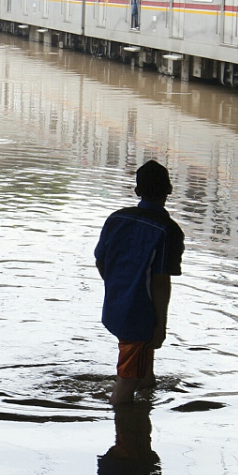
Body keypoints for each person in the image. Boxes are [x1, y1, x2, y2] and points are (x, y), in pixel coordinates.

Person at [93, 160, 183, 405]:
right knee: (128, 380)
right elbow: (160, 281)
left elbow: (101, 260)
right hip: (140, 312)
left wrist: (120, 289)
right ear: (170, 189)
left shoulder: (116, 218)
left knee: (143, 372)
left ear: (137, 191)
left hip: (116, 304)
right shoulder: (168, 229)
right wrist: (161, 325)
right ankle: (124, 435)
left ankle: (148, 388)